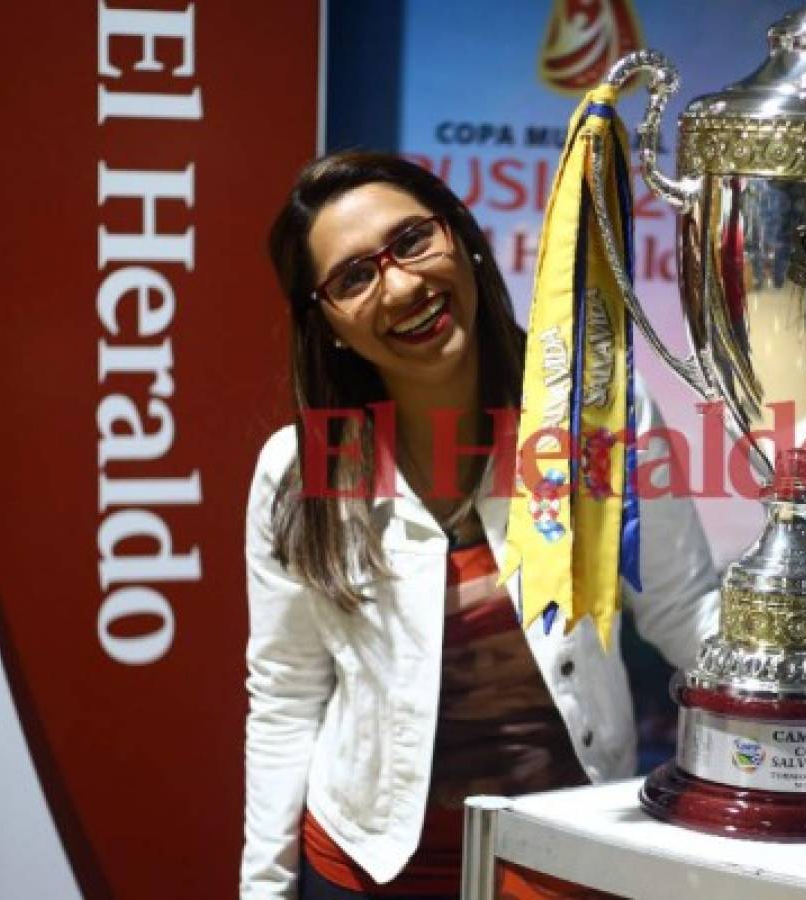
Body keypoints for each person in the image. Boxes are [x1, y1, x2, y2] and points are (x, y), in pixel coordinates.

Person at [240, 151, 721, 899]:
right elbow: (286, 692)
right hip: (367, 870)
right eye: (353, 278)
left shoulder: (591, 417)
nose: (399, 285)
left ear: (462, 238)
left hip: (563, 861)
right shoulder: (305, 466)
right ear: (326, 322)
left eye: (410, 241)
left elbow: (684, 610)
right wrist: (264, 891)